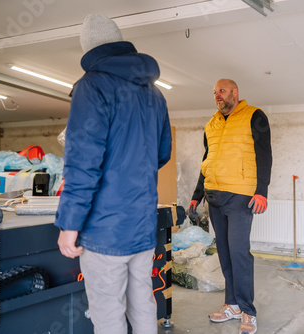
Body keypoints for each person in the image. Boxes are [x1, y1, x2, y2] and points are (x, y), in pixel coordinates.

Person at [54, 14, 172, 334]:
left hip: (105, 229)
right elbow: (161, 154)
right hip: (142, 225)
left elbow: (82, 163)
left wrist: (69, 224)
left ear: (89, 49)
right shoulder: (155, 93)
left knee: (108, 313)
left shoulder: (91, 86)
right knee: (142, 303)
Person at [189, 79, 272, 334]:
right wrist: (197, 194)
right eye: (215, 92)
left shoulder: (254, 116)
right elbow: (207, 161)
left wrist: (261, 192)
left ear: (235, 92)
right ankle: (232, 304)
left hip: (240, 197)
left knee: (239, 253)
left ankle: (248, 311)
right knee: (224, 253)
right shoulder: (211, 124)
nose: (217, 96)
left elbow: (264, 155)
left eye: (221, 91)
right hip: (214, 197)